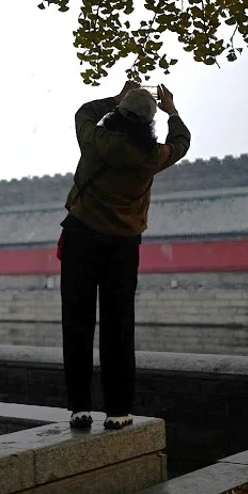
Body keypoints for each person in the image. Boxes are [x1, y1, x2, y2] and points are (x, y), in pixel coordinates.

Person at [59, 80, 191, 430]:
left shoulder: (96, 142)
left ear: (118, 114)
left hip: (81, 238)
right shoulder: (152, 157)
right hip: (123, 246)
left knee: (77, 322)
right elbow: (181, 142)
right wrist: (171, 110)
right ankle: (118, 410)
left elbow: (83, 112)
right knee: (119, 326)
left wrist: (115, 98)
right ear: (148, 124)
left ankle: (80, 407)